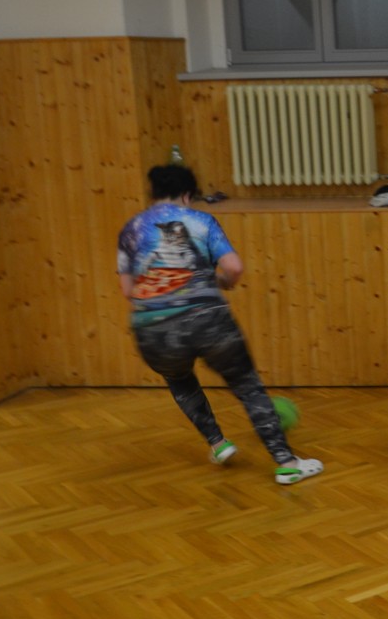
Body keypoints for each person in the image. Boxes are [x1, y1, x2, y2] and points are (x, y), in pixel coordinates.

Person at [117, 165, 323, 486]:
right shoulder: (201, 221)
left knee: (180, 381)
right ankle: (287, 464)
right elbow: (234, 267)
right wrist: (221, 281)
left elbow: (128, 290)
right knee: (246, 385)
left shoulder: (131, 229)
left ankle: (218, 443)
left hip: (152, 331)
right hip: (207, 319)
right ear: (188, 195)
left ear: (153, 193)